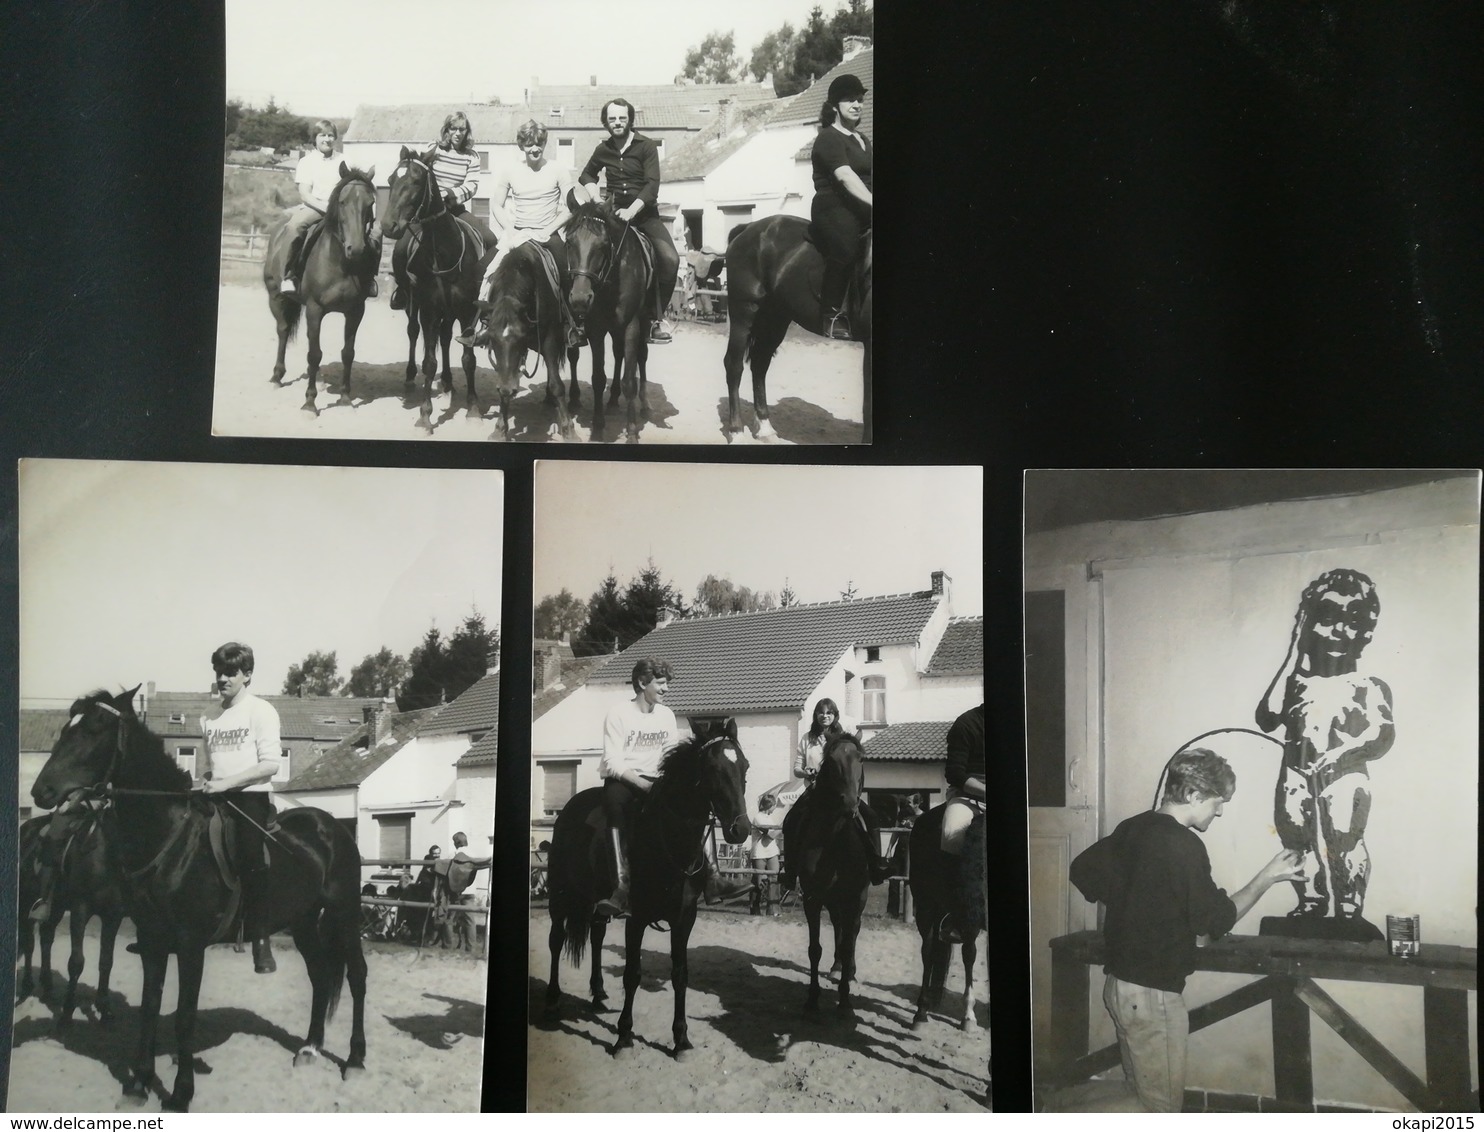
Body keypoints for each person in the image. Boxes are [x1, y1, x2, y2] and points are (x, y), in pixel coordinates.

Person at [1063, 748, 1303, 1112]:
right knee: (1161, 1111)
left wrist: (1138, 905)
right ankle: (1052, 1110)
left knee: (1140, 1095)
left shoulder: (1133, 827)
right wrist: (1266, 878)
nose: (1220, 811)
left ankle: (1056, 1107)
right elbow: (1218, 919)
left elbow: (1083, 870)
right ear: (1193, 795)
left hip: (1121, 988)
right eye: (1218, 802)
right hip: (1153, 995)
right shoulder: (1184, 844)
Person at [1254, 569, 1394, 924]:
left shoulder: (1368, 684)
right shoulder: (1296, 682)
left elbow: (1381, 735)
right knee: (1296, 839)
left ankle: (1349, 907)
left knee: (1343, 840)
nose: (1339, 631)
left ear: (1365, 630)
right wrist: (1294, 647)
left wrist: (1340, 755)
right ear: (1310, 622)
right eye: (1327, 617)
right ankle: (1312, 902)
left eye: (1352, 621)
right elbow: (1268, 716)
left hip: (1344, 775)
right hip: (1296, 774)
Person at [198, 642, 284, 975]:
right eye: (219, 672)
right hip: (216, 796)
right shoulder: (208, 717)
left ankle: (260, 938)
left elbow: (270, 765)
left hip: (251, 796)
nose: (223, 678)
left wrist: (227, 783)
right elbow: (211, 765)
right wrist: (209, 782)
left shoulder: (261, 711)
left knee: (250, 854)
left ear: (246, 675)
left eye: (231, 673)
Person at [461, 119, 576, 348]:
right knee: (481, 270)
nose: (534, 149)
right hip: (518, 233)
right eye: (529, 144)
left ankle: (571, 325)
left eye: (539, 144)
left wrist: (548, 230)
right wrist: (510, 230)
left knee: (567, 273)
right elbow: (496, 205)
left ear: (544, 144)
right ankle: (482, 323)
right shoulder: (511, 171)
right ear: (521, 146)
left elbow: (572, 207)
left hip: (547, 235)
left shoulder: (558, 170)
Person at [576, 97, 680, 344]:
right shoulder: (603, 149)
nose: (617, 122)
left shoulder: (646, 146)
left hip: (644, 216)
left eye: (622, 118)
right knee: (584, 252)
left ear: (630, 119)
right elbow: (586, 175)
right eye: (612, 119)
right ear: (606, 122)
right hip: (613, 217)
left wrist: (632, 211)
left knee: (670, 259)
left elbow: (652, 185)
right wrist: (596, 198)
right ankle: (580, 320)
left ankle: (656, 318)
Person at [777, 698, 891, 890]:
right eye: (821, 712)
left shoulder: (843, 737)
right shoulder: (807, 738)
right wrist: (806, 772)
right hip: (815, 792)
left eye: (829, 712)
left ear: (835, 715)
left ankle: (876, 866)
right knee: (791, 820)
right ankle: (790, 872)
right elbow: (797, 768)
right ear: (816, 715)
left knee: (870, 817)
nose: (825, 716)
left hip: (841, 793)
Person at [390, 111, 499, 311]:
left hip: (455, 209)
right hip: (428, 213)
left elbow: (472, 185)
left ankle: (482, 291)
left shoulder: (472, 156)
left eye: (462, 129)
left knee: (491, 239)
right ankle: (403, 291)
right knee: (399, 249)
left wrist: (449, 194)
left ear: (467, 131)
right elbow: (419, 174)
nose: (458, 133)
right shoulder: (434, 149)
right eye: (453, 128)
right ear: (447, 130)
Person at [277, 120, 377, 298]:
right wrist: (326, 208)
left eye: (330, 135)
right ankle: (288, 275)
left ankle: (369, 279)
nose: (327, 139)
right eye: (322, 135)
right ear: (314, 138)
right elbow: (305, 194)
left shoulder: (345, 160)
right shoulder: (306, 162)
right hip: (315, 206)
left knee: (375, 233)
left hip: (344, 209)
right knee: (294, 227)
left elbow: (356, 188)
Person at [810, 74, 873, 340]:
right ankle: (831, 314)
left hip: (862, 205)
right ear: (835, 105)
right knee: (847, 247)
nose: (857, 104)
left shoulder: (863, 139)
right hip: (834, 208)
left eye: (860, 99)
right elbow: (846, 176)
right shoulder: (828, 137)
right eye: (850, 99)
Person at [446, 830, 492, 952]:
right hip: (469, 891)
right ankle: (470, 948)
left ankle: (448, 946)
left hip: (454, 892)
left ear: (456, 842)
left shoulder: (452, 855)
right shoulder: (473, 855)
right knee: (470, 920)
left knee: (449, 918)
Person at [748, 824, 782, 916]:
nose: (774, 808)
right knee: (758, 882)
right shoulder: (758, 818)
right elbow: (771, 835)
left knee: (774, 880)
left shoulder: (770, 819)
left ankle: (773, 910)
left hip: (772, 852)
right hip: (759, 853)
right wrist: (782, 827)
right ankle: (754, 908)